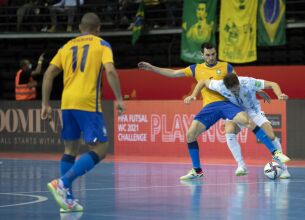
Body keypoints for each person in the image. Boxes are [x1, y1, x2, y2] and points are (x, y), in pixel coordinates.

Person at [138, 43, 288, 180]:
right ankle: (197, 171)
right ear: (202, 55)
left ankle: (275, 153)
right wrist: (152, 68)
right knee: (190, 134)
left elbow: (238, 82)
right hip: (209, 107)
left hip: (227, 104)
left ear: (216, 54)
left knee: (248, 120)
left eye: (213, 54)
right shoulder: (195, 69)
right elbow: (173, 74)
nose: (211, 57)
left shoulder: (226, 67)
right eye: (208, 55)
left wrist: (258, 89)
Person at [41, 12, 125, 212]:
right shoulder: (102, 45)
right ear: (99, 29)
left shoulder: (66, 47)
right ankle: (62, 183)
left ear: (79, 28)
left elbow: (48, 74)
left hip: (67, 102)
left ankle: (67, 200)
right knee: (101, 149)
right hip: (87, 102)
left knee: (70, 149)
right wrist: (120, 98)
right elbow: (111, 70)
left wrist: (45, 103)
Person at [184, 74, 291, 179]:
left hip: (254, 112)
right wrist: (193, 95)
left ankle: (283, 167)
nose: (235, 92)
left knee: (271, 136)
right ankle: (241, 165)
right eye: (232, 91)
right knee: (229, 130)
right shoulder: (220, 85)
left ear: (239, 83)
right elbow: (203, 81)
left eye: (237, 89)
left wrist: (279, 94)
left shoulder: (248, 82)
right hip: (235, 111)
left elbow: (272, 84)